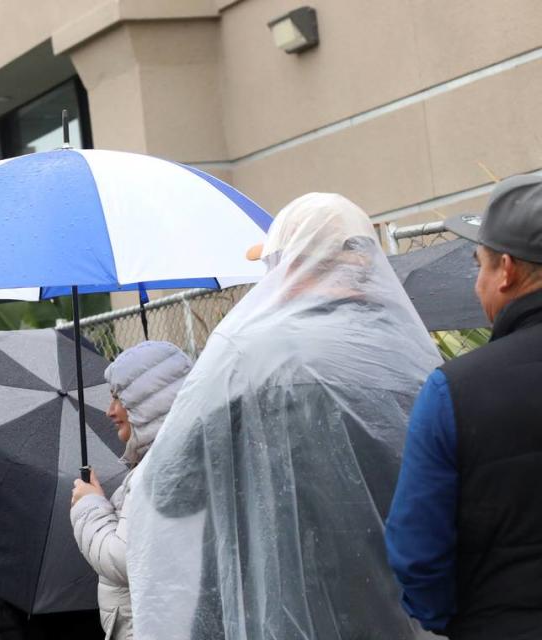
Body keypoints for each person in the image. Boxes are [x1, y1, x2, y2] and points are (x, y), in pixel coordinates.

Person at [126, 193, 442, 640]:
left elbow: (169, 488)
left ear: (292, 262)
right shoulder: (407, 351)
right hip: (394, 612)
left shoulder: (251, 353)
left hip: (280, 609)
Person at [386, 175, 542, 639]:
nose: (478, 284)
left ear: (507, 270)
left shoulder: (454, 390)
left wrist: (453, 620)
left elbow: (417, 548)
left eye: (480, 266)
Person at [70, 340, 192, 639]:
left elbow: (126, 559)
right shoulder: (174, 459)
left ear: (148, 401)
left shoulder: (159, 471)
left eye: (118, 398)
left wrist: (89, 507)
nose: (110, 411)